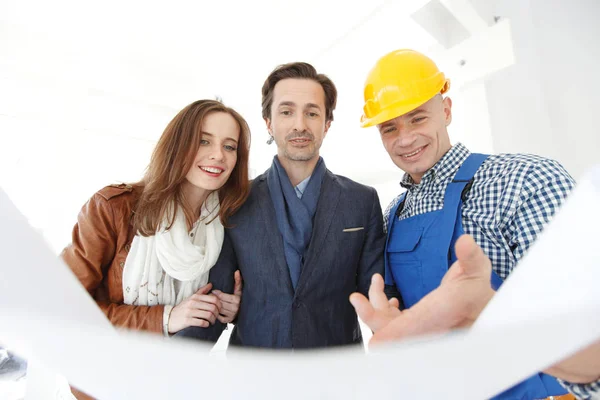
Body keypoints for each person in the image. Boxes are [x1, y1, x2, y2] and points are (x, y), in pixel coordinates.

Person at [358, 49, 576, 399]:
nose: (405, 139)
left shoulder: (525, 180)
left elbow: (577, 308)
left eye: (417, 118)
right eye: (390, 127)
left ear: (445, 110)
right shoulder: (391, 216)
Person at [182, 62, 385, 349]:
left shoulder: (362, 200)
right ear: (269, 122)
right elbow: (217, 300)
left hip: (337, 369)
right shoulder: (234, 200)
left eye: (312, 113)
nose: (299, 124)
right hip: (254, 369)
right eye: (286, 112)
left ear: (327, 124)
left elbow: (377, 292)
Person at [61, 100, 249, 397]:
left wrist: (236, 310)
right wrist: (164, 318)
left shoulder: (227, 224)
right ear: (178, 144)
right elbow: (64, 310)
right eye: (204, 141)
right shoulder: (113, 209)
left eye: (230, 146)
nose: (218, 155)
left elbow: (217, 308)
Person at [350, 234, 600, 400]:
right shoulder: (395, 211)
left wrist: (497, 325)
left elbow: (574, 308)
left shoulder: (527, 178)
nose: (403, 148)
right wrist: (404, 337)